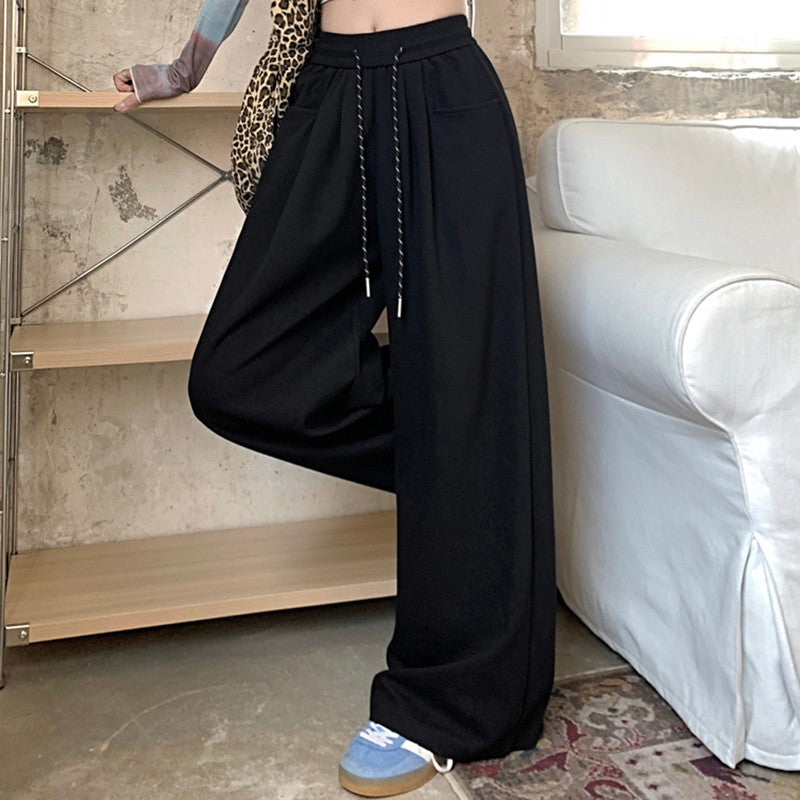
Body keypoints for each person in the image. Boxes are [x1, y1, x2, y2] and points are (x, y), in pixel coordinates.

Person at [113, 0, 556, 796]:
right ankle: (465, 456)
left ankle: (446, 701)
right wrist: (183, 69)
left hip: (446, 87)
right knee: (237, 372)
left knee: (466, 374)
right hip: (330, 90)